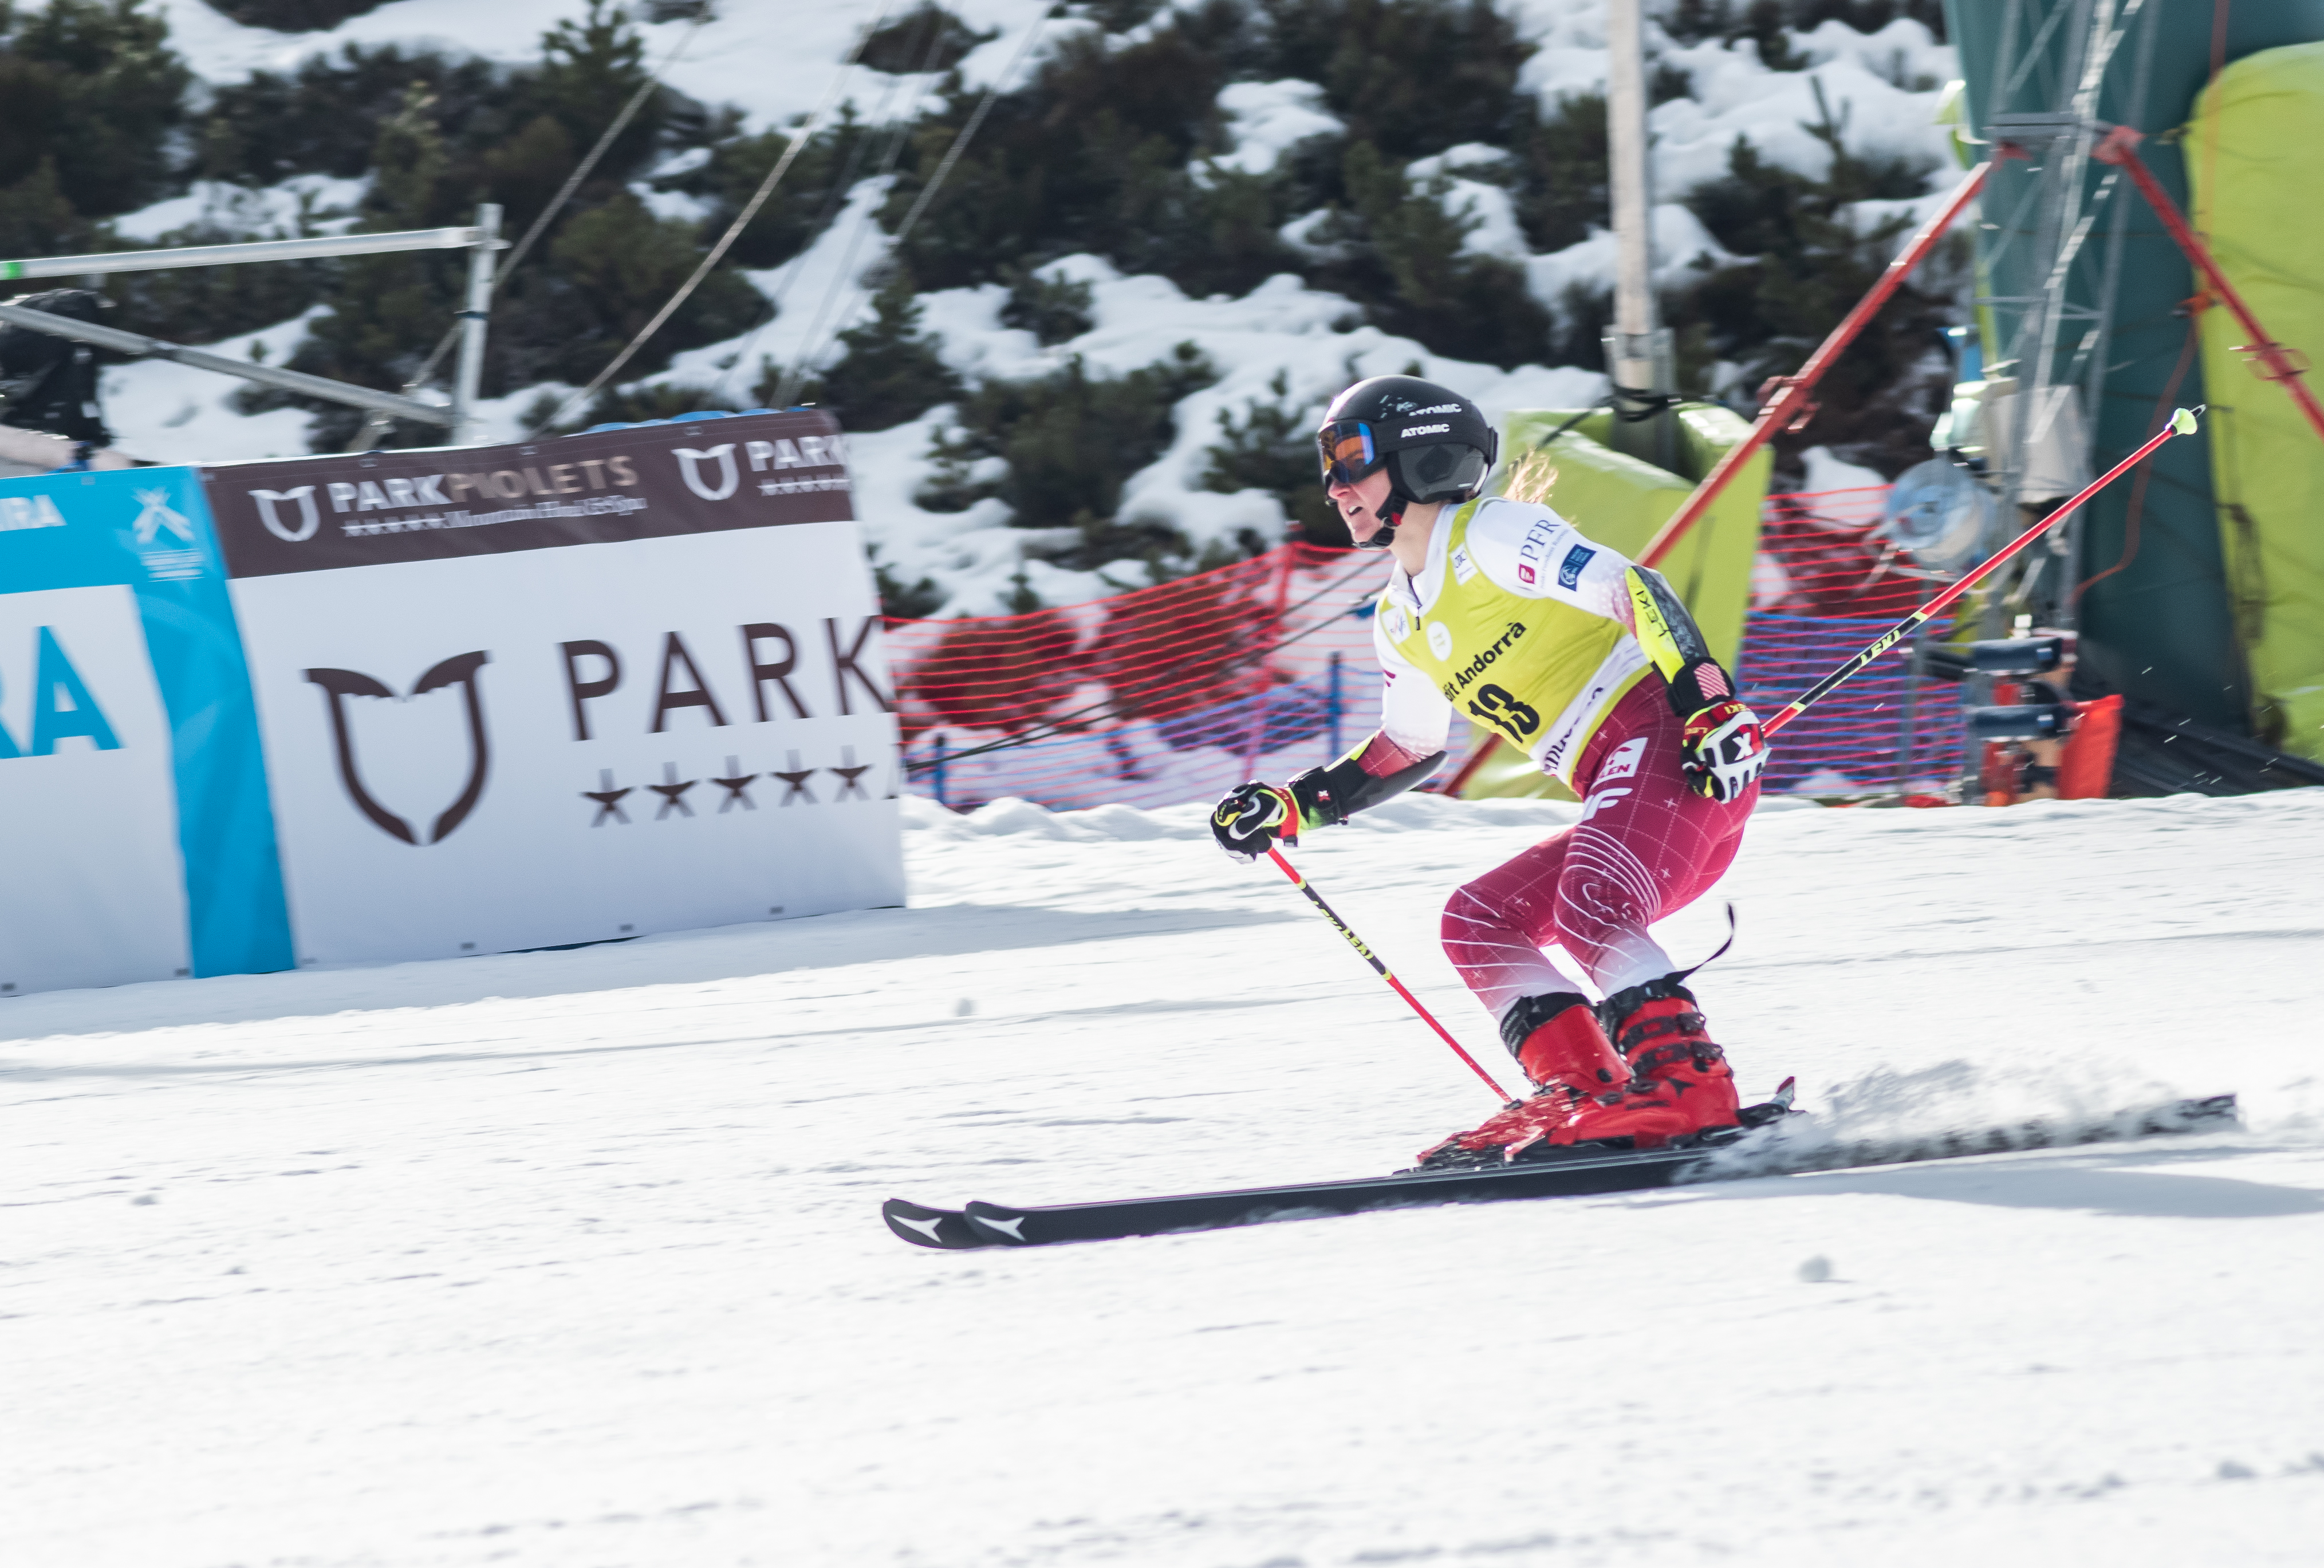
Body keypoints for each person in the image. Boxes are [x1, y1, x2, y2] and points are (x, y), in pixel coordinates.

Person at [1210, 375, 1768, 1162]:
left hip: (1675, 747)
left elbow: (1633, 588)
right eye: (1326, 465)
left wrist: (1709, 700)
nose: (1334, 486)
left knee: (1590, 904)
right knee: (1477, 919)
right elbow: (1407, 750)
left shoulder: (1487, 535)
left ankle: (1687, 1085)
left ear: (1416, 456)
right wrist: (1292, 805)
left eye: (1352, 459)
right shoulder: (1399, 620)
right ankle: (1587, 1088)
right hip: (1630, 785)